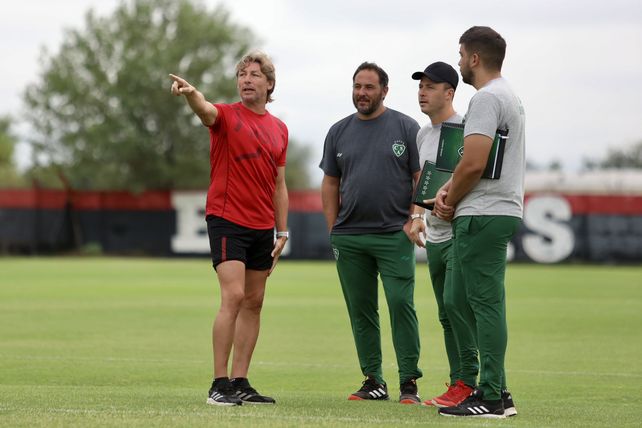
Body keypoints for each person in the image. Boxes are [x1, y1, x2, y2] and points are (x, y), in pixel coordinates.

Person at [169, 50, 289, 407]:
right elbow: (205, 110)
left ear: (269, 84)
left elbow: (279, 185)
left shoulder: (279, 129)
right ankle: (218, 384)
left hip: (262, 225)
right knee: (234, 296)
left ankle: (240, 382)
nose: (246, 79)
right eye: (242, 74)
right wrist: (192, 94)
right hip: (226, 218)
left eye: (254, 74)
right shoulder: (225, 115)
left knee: (254, 302)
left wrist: (282, 232)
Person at [433, 26, 525, 418]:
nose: (458, 62)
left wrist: (449, 200)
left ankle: (491, 394)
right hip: (494, 208)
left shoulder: (487, 98)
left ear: (474, 58)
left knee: (484, 303)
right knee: (468, 300)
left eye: (460, 55)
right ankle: (495, 389)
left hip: (484, 211)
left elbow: (474, 161)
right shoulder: (508, 95)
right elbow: (475, 165)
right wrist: (449, 188)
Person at [320, 62, 423, 404]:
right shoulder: (338, 131)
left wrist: (415, 216)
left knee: (399, 303)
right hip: (349, 238)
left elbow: (420, 177)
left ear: (384, 91)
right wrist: (333, 229)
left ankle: (409, 380)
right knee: (361, 310)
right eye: (357, 86)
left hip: (394, 233)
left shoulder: (406, 127)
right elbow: (330, 182)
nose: (362, 93)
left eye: (369, 87)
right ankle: (373, 380)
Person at [406, 62, 475, 408]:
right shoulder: (423, 134)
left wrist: (454, 204)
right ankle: (457, 382)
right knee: (446, 314)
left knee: (457, 307)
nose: (422, 92)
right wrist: (417, 215)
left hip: (460, 233)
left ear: (449, 93)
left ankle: (470, 381)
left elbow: (474, 177)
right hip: (435, 235)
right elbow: (425, 182)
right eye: (421, 86)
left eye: (431, 87)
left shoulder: (465, 129)